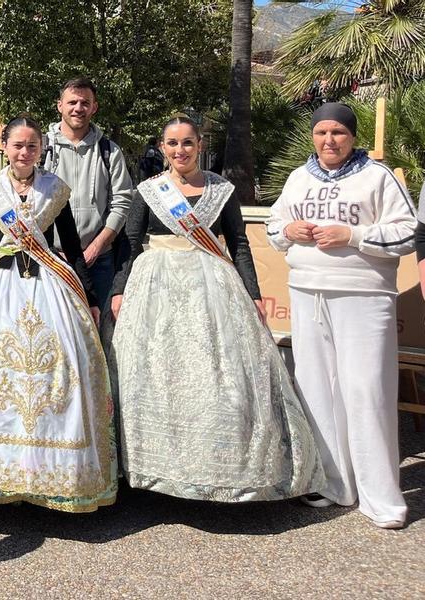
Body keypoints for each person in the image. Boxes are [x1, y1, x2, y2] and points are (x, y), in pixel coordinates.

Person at [112, 117, 323, 502]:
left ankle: (219, 471)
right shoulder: (148, 191)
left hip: (212, 287)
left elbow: (239, 244)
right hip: (154, 287)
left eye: (187, 143)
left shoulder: (220, 190)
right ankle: (153, 471)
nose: (180, 150)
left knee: (218, 373)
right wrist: (118, 289)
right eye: (173, 143)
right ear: (162, 147)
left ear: (200, 144)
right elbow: (129, 242)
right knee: (157, 375)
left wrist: (254, 293)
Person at [0, 116, 116, 511]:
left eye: (31, 146)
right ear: (6, 148)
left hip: (47, 284)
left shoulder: (54, 190)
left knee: (60, 371)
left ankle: (51, 474)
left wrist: (89, 295)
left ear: (40, 150)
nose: (24, 152)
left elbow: (71, 245)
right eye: (17, 145)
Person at [267, 102, 416, 529]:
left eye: (338, 133)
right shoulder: (299, 178)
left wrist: (354, 234)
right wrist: (288, 231)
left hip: (363, 296)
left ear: (352, 137)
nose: (329, 140)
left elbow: (407, 231)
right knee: (316, 389)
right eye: (321, 133)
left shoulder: (377, 176)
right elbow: (276, 225)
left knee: (366, 389)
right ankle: (334, 483)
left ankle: (382, 499)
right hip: (307, 291)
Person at [42, 78, 134, 317]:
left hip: (99, 261)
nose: (78, 108)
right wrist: (50, 250)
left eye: (85, 102)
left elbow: (122, 202)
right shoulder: (41, 149)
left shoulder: (109, 151)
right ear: (59, 105)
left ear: (94, 107)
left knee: (96, 332)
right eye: (72, 101)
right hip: (52, 259)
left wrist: (96, 247)